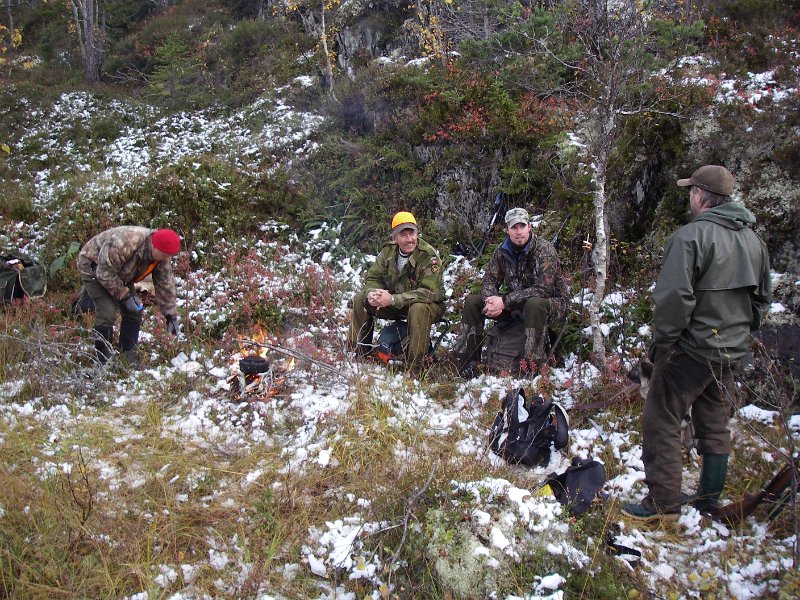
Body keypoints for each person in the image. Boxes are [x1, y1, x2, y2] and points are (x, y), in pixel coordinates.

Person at [622, 165, 771, 522]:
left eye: (691, 190)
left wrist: (663, 345)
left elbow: (674, 298)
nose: (690, 196)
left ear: (701, 196)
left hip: (690, 350)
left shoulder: (690, 238)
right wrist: (738, 336)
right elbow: (762, 301)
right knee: (714, 424)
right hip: (730, 351)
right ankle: (708, 499)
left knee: (662, 418)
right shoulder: (754, 241)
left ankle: (663, 504)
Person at [453, 207, 569, 375]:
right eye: (514, 227)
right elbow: (489, 281)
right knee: (473, 301)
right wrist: (490, 302)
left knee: (534, 304)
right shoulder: (501, 252)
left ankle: (532, 367)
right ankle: (468, 360)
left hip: (551, 305)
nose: (519, 232)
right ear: (507, 230)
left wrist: (504, 301)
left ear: (529, 227)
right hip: (517, 304)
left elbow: (543, 289)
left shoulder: (544, 250)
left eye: (522, 226)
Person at [348, 211, 445, 369]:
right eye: (403, 234)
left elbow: (429, 292)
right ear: (395, 237)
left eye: (412, 233)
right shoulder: (388, 252)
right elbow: (373, 278)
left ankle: (416, 364)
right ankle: (358, 352)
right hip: (396, 304)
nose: (409, 239)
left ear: (417, 233)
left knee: (418, 308)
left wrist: (393, 299)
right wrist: (373, 292)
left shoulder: (428, 256)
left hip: (428, 305)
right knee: (361, 298)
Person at [78, 226, 182, 367]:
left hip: (121, 273)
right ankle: (103, 359)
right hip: (93, 267)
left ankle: (128, 354)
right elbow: (104, 273)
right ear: (154, 246)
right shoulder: (126, 242)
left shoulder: (162, 256)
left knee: (135, 310)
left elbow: (165, 284)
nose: (167, 258)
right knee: (107, 312)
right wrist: (125, 296)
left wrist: (171, 316)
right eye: (164, 255)